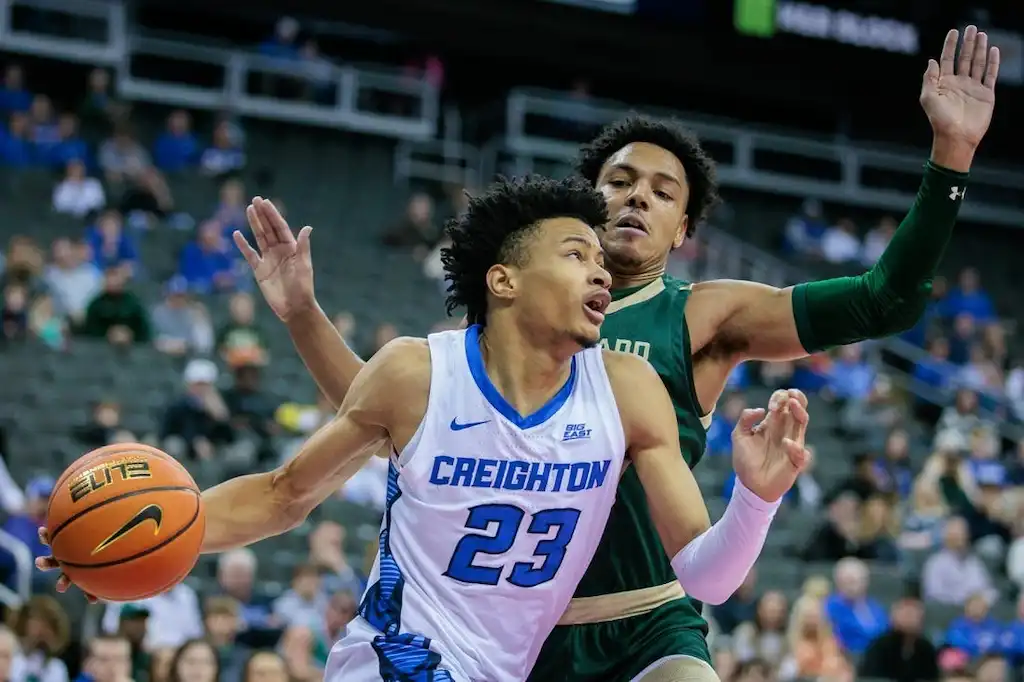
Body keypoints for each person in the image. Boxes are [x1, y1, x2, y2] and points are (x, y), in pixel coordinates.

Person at [221, 25, 998, 682]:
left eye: (663, 193)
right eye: (620, 181)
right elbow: (387, 423)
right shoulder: (514, 313)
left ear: (684, 232)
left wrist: (950, 161)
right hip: (514, 635)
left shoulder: (703, 314)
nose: (637, 197)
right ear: (585, 203)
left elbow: (884, 299)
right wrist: (302, 315)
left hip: (648, 620)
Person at [39, 177, 810, 682]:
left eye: (601, 261)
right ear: (503, 280)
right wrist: (127, 545)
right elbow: (282, 497)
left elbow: (705, 580)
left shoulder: (629, 390)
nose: (603, 271)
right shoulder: (417, 373)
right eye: (577, 254)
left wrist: (756, 499)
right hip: (391, 663)